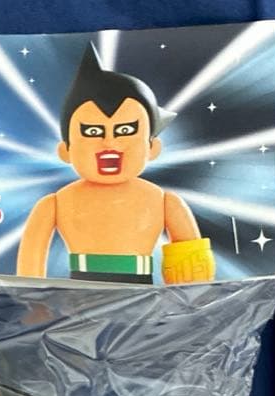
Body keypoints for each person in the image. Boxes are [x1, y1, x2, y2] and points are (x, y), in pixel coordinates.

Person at [16, 43, 216, 284]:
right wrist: (34, 299)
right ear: (66, 150)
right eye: (92, 131)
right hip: (80, 297)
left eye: (125, 130)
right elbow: (30, 264)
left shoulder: (165, 202)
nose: (109, 142)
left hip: (142, 298)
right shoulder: (55, 203)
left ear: (152, 147)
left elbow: (191, 271)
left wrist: (189, 298)